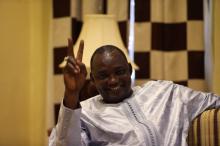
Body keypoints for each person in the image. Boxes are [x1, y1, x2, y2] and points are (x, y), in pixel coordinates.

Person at [49, 38, 220, 146]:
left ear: (129, 70)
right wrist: (71, 94)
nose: (113, 81)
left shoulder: (165, 92)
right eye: (103, 76)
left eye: (119, 72)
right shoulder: (85, 113)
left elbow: (212, 101)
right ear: (92, 80)